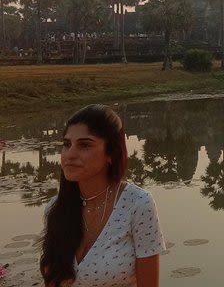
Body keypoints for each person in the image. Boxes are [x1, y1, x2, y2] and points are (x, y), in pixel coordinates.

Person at [41, 105, 165, 287]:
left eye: (84, 145)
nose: (70, 155)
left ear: (111, 153)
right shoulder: (56, 209)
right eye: (67, 145)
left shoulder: (137, 204)